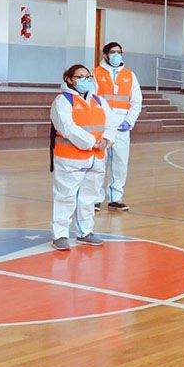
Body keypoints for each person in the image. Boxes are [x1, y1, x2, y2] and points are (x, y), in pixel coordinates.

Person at [50, 64, 117, 251]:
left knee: (88, 197)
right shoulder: (63, 101)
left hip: (96, 158)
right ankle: (60, 234)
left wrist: (106, 139)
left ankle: (85, 232)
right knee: (65, 196)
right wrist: (91, 142)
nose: (85, 80)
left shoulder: (98, 100)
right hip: (71, 158)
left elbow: (111, 123)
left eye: (88, 77)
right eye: (80, 77)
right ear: (69, 79)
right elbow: (67, 127)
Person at [92, 42, 143, 212]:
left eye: (119, 52)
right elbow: (92, 98)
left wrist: (129, 121)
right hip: (102, 125)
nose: (117, 55)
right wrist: (98, 121)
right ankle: (95, 199)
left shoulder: (130, 75)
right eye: (113, 52)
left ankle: (115, 198)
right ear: (105, 55)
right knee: (99, 162)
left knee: (120, 162)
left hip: (122, 126)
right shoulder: (95, 73)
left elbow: (136, 101)